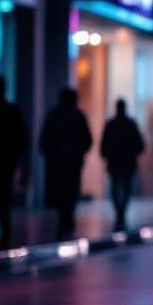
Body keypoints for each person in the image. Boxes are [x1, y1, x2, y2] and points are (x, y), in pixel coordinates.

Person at [39, 87, 92, 241]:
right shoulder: (78, 116)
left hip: (57, 163)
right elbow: (87, 139)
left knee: (61, 192)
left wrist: (50, 154)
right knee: (70, 192)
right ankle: (66, 219)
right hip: (72, 163)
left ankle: (64, 220)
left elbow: (44, 139)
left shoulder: (54, 116)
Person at [0, 75, 29, 249]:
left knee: (3, 202)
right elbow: (22, 139)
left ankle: (4, 237)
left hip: (4, 163)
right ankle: (4, 236)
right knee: (3, 202)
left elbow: (21, 139)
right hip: (5, 163)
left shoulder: (10, 111)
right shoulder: (11, 111)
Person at [99, 99, 145, 232]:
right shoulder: (130, 124)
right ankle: (121, 212)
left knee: (116, 187)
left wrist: (106, 154)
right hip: (127, 162)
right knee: (126, 187)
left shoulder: (111, 125)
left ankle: (120, 212)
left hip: (115, 162)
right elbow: (139, 144)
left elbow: (104, 144)